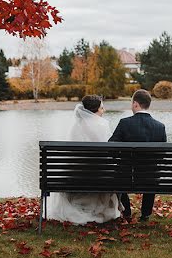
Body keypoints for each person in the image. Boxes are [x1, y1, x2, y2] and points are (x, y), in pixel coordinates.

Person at [45, 95, 123, 224]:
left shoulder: (75, 126)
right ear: (96, 110)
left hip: (76, 175)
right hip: (99, 176)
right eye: (102, 108)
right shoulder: (102, 125)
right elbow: (109, 153)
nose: (103, 111)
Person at [109, 89, 167, 221]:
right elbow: (161, 155)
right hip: (150, 178)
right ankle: (145, 213)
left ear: (135, 104)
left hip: (126, 176)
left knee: (119, 173)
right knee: (152, 171)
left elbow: (111, 148)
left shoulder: (124, 123)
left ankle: (127, 211)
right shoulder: (160, 127)